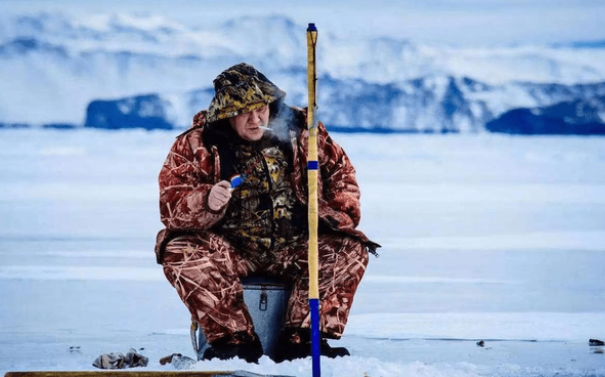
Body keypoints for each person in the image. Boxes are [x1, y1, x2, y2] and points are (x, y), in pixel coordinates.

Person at [154, 63, 379, 363]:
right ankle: (234, 341)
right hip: (231, 250)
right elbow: (171, 205)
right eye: (244, 110)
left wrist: (334, 215)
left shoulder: (304, 133)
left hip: (295, 245)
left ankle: (302, 338)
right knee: (181, 250)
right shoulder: (195, 144)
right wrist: (205, 201)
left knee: (348, 248)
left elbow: (342, 175)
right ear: (226, 114)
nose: (255, 117)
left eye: (261, 108)